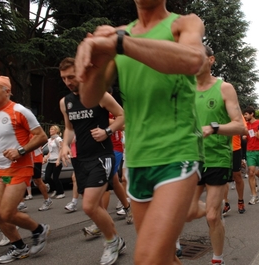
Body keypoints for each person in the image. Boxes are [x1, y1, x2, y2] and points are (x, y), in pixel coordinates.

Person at [73, 2, 206, 265]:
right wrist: (96, 62)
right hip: (137, 160)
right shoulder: (118, 34)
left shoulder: (184, 23)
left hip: (177, 152)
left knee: (147, 259)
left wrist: (119, 43)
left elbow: (193, 59)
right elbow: (89, 98)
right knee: (164, 258)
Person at [58, 57, 126, 265]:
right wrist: (64, 145)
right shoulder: (65, 102)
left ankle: (112, 241)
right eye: (64, 78)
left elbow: (123, 116)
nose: (68, 81)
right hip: (82, 159)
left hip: (102, 156)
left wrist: (107, 131)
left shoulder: (99, 94)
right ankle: (116, 239)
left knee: (88, 206)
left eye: (71, 76)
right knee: (93, 205)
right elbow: (69, 128)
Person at [0, 76, 50, 263]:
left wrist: (20, 151)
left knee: (7, 212)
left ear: (7, 91)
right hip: (1, 170)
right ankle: (19, 246)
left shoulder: (20, 111)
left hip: (20, 168)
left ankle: (39, 230)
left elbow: (41, 136)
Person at [186, 44, 246, 265]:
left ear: (211, 60)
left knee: (211, 216)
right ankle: (216, 211)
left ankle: (217, 259)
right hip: (190, 158)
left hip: (217, 157)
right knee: (188, 212)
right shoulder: (185, 89)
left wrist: (213, 128)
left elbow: (240, 127)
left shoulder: (224, 88)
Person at [223, 115, 248, 215]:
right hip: (220, 148)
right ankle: (226, 203)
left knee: (237, 176)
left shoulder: (236, 112)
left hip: (235, 148)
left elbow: (243, 129)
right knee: (222, 177)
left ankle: (240, 200)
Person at [43, 125, 65, 199]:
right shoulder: (49, 140)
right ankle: (54, 189)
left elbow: (61, 150)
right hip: (50, 161)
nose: (50, 131)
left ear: (56, 131)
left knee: (55, 178)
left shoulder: (58, 139)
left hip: (56, 160)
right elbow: (50, 151)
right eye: (50, 129)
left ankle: (61, 192)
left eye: (52, 129)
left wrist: (59, 160)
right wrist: (46, 157)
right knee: (47, 177)